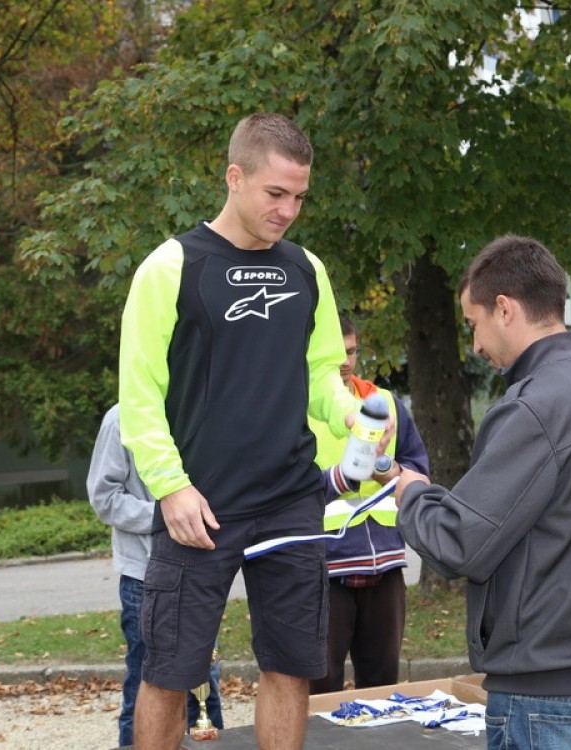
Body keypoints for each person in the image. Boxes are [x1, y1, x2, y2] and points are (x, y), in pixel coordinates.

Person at [118, 113, 374, 750]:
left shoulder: (306, 268)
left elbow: (321, 371)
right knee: (170, 670)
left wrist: (350, 413)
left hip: (291, 498)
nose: (288, 210)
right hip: (200, 505)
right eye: (275, 194)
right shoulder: (171, 265)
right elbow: (139, 396)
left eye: (299, 197)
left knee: (291, 664)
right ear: (235, 178)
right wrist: (171, 487)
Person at [395, 235, 571, 750]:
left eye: (474, 324)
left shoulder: (537, 406)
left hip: (551, 703)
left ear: (504, 308)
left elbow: (461, 544)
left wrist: (414, 494)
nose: (475, 345)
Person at [86, 404, 223, 748]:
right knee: (146, 691)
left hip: (202, 574)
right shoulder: (122, 418)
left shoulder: (205, 406)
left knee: (206, 691)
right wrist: (167, 516)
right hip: (144, 578)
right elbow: (104, 497)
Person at [308, 316, 430, 695]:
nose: (346, 361)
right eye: (336, 353)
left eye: (352, 351)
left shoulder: (386, 404)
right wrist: (341, 477)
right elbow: (282, 488)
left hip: (386, 567)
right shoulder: (301, 408)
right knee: (320, 689)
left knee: (381, 689)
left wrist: (386, 469)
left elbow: (419, 474)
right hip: (323, 569)